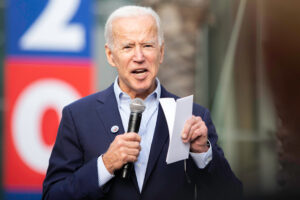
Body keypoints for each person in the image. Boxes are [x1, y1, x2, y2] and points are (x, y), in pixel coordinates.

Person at [42, 5, 242, 200]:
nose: (139, 57)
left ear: (161, 52)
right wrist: (105, 165)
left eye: (147, 45)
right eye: (128, 46)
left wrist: (203, 153)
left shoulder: (190, 116)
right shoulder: (78, 116)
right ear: (111, 55)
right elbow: (53, 195)